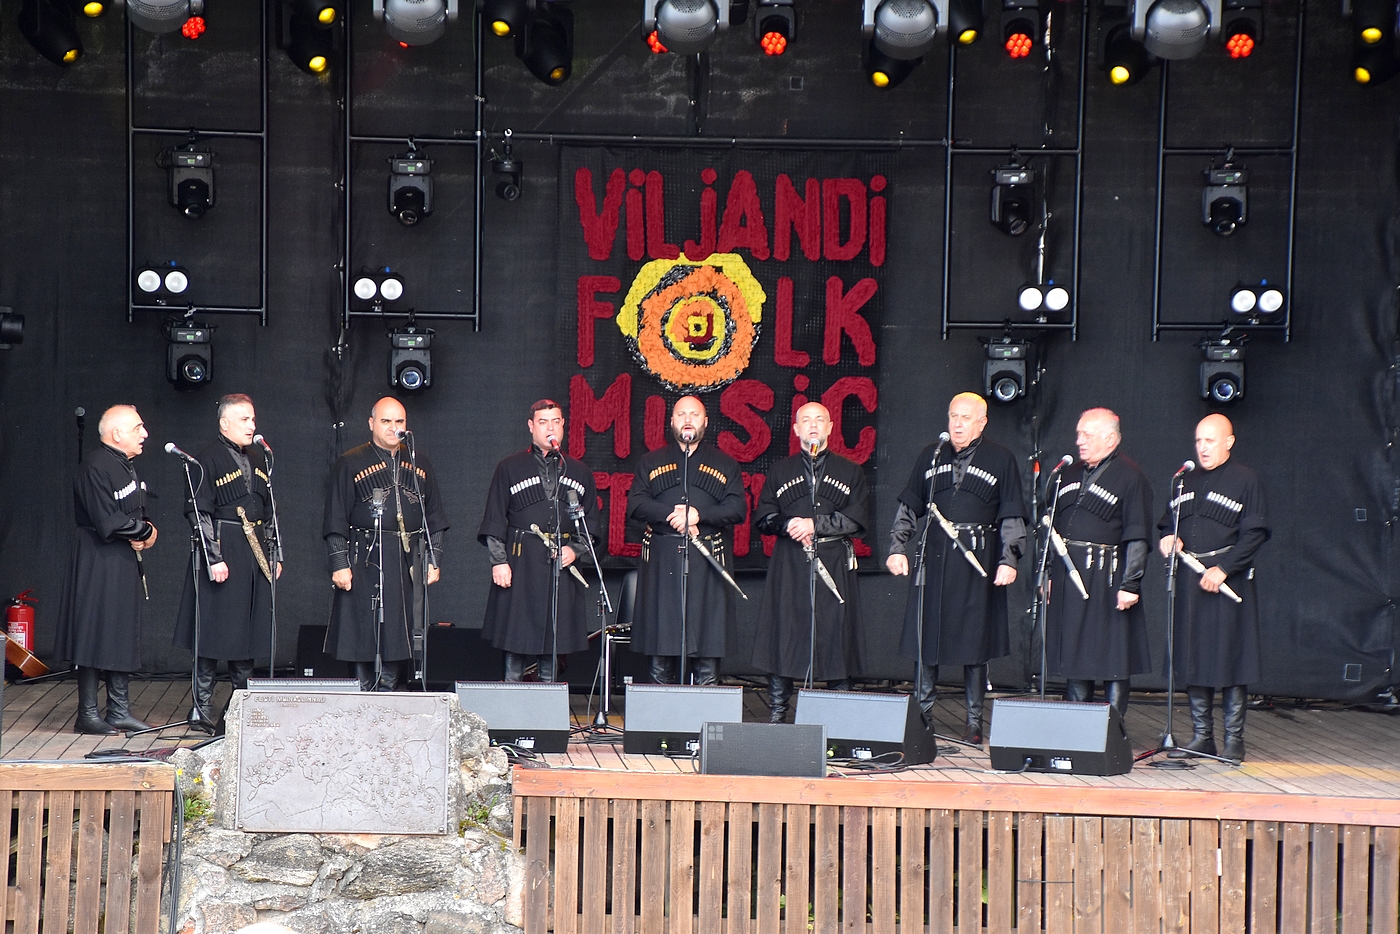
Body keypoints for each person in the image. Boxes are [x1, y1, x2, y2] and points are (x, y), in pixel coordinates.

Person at [887, 392, 1026, 743]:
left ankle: (974, 721)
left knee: (975, 642)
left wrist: (1009, 559)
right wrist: (897, 548)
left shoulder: (1001, 458)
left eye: (966, 417)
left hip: (977, 558)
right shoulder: (932, 454)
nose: (958, 424)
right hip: (934, 557)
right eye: (953, 416)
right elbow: (909, 506)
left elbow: (1012, 513)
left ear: (982, 422)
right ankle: (922, 718)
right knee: (926, 637)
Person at [1158, 413, 1268, 762]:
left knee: (1232, 658)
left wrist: (1225, 569)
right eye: (1199, 441)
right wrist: (1169, 538)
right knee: (1194, 657)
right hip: (1191, 580)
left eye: (1210, 441)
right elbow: (1166, 524)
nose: (1203, 448)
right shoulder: (1183, 480)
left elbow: (1255, 533)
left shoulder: (1246, 480)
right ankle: (1202, 736)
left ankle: (1234, 739)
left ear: (1229, 442)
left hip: (1228, 581)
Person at [751, 402, 870, 722]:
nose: (813, 425)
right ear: (796, 429)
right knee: (784, 633)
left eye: (820, 420)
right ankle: (778, 714)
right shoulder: (780, 470)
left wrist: (815, 524)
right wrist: (788, 524)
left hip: (833, 562)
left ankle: (837, 718)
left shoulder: (851, 471)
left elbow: (857, 519)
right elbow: (763, 517)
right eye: (806, 420)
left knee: (836, 635)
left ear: (830, 427)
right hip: (790, 562)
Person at [173, 394, 281, 732]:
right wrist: (213, 558)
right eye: (244, 419)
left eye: (253, 419)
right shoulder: (206, 459)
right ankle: (201, 708)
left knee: (246, 631)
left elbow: (270, 512)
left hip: (254, 552)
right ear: (224, 424)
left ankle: (241, 707)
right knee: (211, 631)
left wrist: (276, 554)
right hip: (224, 547)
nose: (252, 426)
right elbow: (199, 512)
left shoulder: (260, 460)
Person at [323, 397, 446, 691]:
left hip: (407, 558)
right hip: (363, 556)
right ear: (371, 423)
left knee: (398, 631)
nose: (393, 427)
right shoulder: (350, 462)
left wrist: (434, 559)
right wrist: (339, 563)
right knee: (361, 630)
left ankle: (389, 695)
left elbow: (434, 517)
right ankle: (362, 696)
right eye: (386, 421)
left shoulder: (420, 462)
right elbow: (335, 517)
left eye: (399, 421)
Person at [628, 396, 747, 684]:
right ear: (672, 421)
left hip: (707, 560)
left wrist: (698, 515)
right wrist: (673, 514)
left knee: (708, 642)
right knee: (660, 643)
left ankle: (705, 706)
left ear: (705, 422)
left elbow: (737, 509)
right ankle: (660, 710)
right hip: (662, 560)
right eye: (681, 414)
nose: (688, 420)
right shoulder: (650, 461)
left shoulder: (725, 463)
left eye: (694, 414)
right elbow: (636, 505)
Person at [1044, 408, 1153, 721]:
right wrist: (1049, 573)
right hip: (1069, 576)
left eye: (1087, 435)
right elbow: (1052, 529)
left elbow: (1137, 534)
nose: (1079, 441)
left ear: (1110, 439)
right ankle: (1077, 727)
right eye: (1079, 434)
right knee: (1075, 652)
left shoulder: (1130, 476)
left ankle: (1112, 729)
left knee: (1113, 656)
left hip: (1109, 577)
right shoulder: (1067, 473)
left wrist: (1130, 583)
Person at [55, 405, 158, 734]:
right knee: (93, 631)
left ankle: (118, 710)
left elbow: (136, 511)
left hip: (121, 558)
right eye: (138, 428)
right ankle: (87, 714)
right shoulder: (95, 466)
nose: (144, 434)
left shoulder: (127, 466)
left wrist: (146, 531)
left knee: (120, 630)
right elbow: (107, 520)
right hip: (97, 557)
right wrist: (145, 532)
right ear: (117, 433)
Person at [479, 399, 599, 682]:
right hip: (521, 563)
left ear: (563, 425)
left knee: (554, 645)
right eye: (543, 422)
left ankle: (548, 706)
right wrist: (499, 562)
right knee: (515, 642)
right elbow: (494, 518)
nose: (550, 428)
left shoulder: (579, 471)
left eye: (555, 421)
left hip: (561, 566)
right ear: (531, 426)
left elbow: (591, 524)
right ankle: (511, 703)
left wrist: (575, 549)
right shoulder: (509, 467)